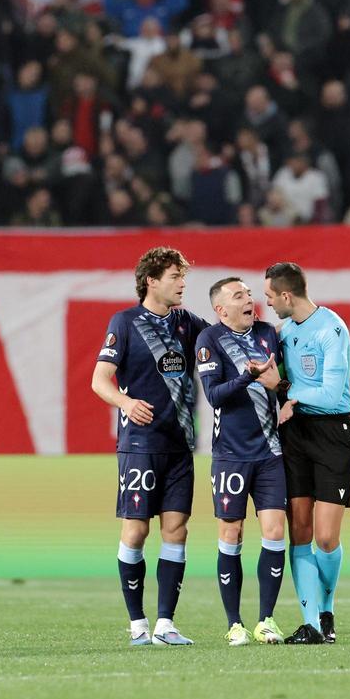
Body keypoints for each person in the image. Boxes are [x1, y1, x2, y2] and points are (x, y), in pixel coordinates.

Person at [91, 247, 210, 646]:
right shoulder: (124, 323)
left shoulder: (189, 324)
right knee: (137, 530)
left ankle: (165, 625)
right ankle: (137, 624)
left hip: (180, 444)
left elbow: (220, 348)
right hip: (139, 444)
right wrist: (125, 402)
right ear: (151, 281)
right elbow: (100, 379)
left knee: (177, 528)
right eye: (175, 276)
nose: (182, 284)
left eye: (183, 277)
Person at [263, 262, 350, 645]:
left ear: (287, 295)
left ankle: (327, 607)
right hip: (295, 434)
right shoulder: (284, 334)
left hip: (333, 432)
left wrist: (287, 390)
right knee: (298, 530)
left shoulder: (332, 329)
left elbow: (332, 394)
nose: (267, 304)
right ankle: (312, 623)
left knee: (326, 538)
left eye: (270, 297)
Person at [196, 277, 287, 646]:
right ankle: (235, 623)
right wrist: (246, 376)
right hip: (230, 456)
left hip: (270, 453)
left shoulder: (268, 333)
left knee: (275, 532)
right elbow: (214, 395)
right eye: (240, 296)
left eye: (249, 294)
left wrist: (284, 393)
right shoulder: (210, 341)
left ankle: (266, 620)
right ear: (221, 310)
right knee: (231, 533)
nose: (249, 299)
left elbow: (282, 384)